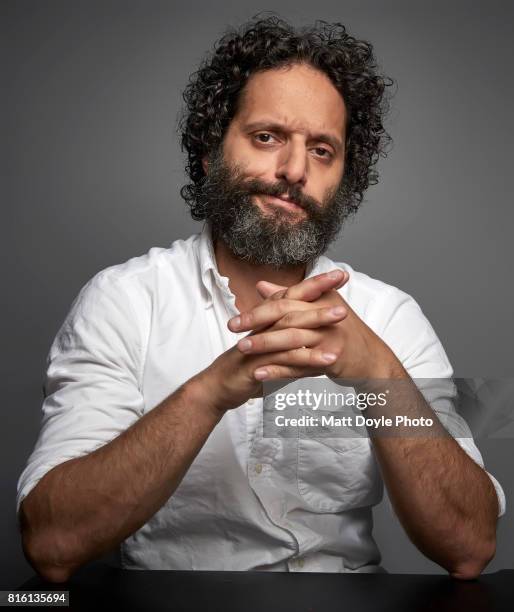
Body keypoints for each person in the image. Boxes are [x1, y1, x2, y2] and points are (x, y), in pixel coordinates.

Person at [17, 16, 505, 583]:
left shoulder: (390, 317)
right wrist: (211, 391)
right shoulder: (124, 302)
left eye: (322, 150)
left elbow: (470, 548)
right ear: (208, 153)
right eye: (267, 137)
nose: (294, 171)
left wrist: (378, 376)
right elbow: (51, 546)